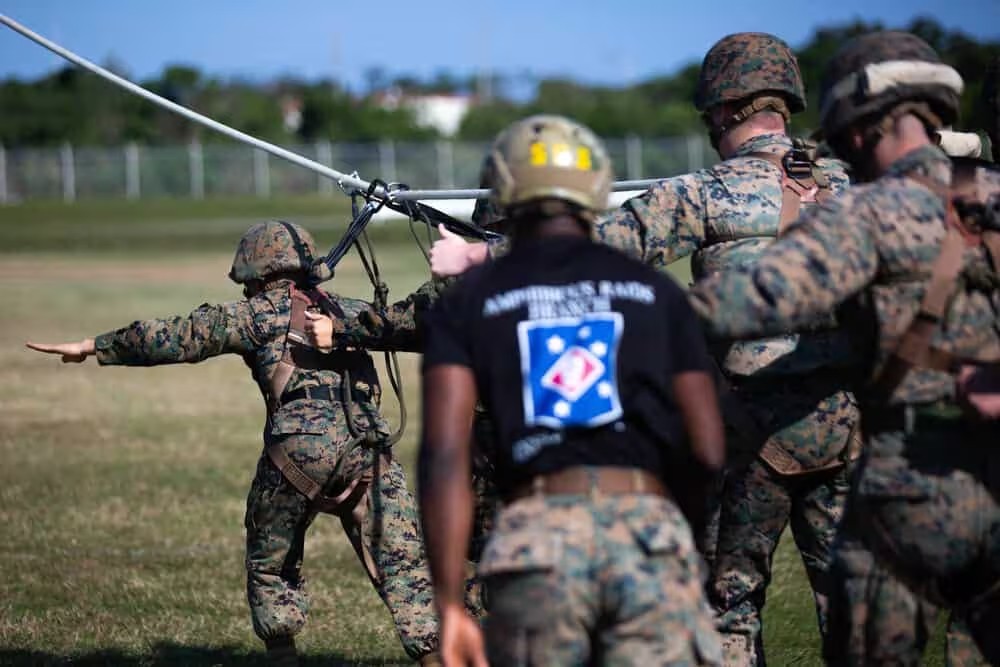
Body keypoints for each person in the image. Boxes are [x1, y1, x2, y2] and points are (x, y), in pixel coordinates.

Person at [427, 32, 858, 667]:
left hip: (752, 434)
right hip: (849, 424)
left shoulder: (706, 191)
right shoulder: (851, 183)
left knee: (727, 606)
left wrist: (476, 255)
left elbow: (595, 245)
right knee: (851, 605)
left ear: (720, 109)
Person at [686, 31, 1000, 664]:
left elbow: (762, 296)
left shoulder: (865, 212)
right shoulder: (986, 194)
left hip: (907, 475)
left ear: (859, 122)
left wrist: (653, 311)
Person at [26, 221, 441, 667]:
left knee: (270, 563)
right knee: (405, 566)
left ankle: (282, 656)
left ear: (258, 275)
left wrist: (95, 346)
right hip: (368, 451)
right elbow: (418, 326)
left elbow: (177, 336)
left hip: (295, 456)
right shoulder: (352, 312)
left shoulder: (255, 314)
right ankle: (437, 655)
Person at [417, 114, 725, 666]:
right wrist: (678, 537)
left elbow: (444, 456)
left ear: (504, 188)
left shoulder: (468, 301)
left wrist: (449, 605)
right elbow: (706, 448)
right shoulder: (656, 291)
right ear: (598, 186)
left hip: (536, 544)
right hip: (649, 532)